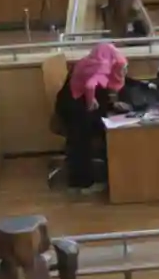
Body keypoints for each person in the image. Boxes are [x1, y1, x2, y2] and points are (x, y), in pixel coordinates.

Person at [55, 43, 129, 193]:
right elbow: (90, 86)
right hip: (73, 108)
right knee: (91, 134)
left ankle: (110, 172)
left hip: (77, 101)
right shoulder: (100, 67)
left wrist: (111, 105)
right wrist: (92, 102)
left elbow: (98, 88)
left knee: (107, 124)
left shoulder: (94, 62)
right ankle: (82, 183)